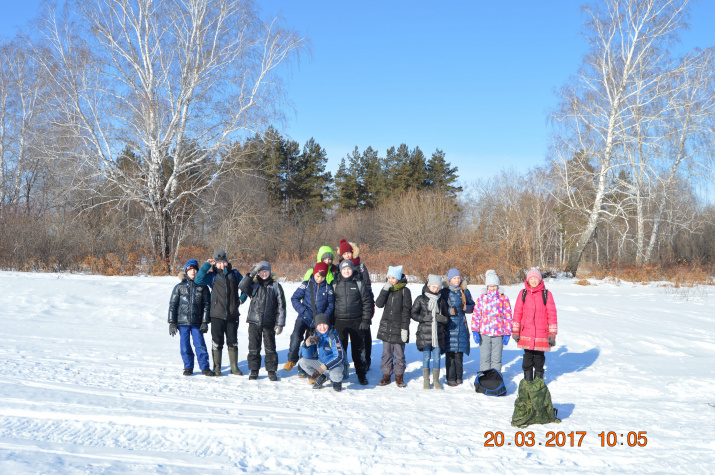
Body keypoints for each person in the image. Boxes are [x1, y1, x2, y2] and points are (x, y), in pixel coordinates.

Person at [195, 250, 246, 376]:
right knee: (217, 341)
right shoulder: (212, 276)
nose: (221, 265)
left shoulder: (234, 274)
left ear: (227, 262)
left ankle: (234, 367)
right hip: (217, 314)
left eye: (223, 262)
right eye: (218, 263)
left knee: (232, 341)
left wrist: (241, 299)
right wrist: (207, 265)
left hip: (232, 314)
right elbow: (198, 279)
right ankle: (217, 367)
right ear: (215, 264)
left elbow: (246, 286)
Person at [238, 260, 287, 381]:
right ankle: (254, 370)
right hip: (254, 321)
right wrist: (253, 272)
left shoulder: (276, 286)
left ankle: (271, 371)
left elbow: (281, 306)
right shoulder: (254, 285)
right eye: (261, 271)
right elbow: (242, 286)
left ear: (270, 272)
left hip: (269, 322)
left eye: (266, 271)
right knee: (254, 347)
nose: (264, 274)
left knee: (270, 348)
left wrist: (280, 324)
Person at [168, 259, 214, 376]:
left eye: (195, 270)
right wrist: (172, 322)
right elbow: (173, 305)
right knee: (184, 346)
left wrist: (205, 321)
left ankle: (205, 367)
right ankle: (188, 367)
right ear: (186, 272)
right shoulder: (179, 287)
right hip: (182, 323)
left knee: (200, 345)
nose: (193, 272)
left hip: (197, 322)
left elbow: (206, 305)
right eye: (190, 270)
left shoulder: (202, 287)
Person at [286, 262, 335, 371]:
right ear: (314, 274)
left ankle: (302, 368)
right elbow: (295, 298)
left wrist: (324, 317)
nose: (319, 279)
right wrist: (303, 310)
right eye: (317, 276)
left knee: (310, 343)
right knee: (295, 336)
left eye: (322, 277)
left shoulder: (328, 288)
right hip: (304, 317)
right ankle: (291, 360)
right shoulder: (306, 284)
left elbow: (331, 305)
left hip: (317, 321)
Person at [512, 268, 558, 381]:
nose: (533, 281)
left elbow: (552, 314)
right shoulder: (523, 293)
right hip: (526, 332)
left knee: (539, 358)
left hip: (541, 333)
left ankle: (538, 383)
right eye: (531, 278)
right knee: (527, 358)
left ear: (540, 280)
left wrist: (552, 333)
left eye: (535, 279)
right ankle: (528, 383)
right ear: (527, 280)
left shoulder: (546, 294)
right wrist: (515, 330)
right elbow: (517, 312)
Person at [332, 259, 373, 385]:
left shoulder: (359, 283)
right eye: (344, 269)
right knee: (340, 350)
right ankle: (342, 371)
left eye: (348, 269)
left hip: (357, 321)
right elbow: (331, 303)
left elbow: (367, 302)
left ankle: (361, 374)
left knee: (359, 350)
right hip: (339, 322)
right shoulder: (334, 283)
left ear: (352, 270)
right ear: (341, 270)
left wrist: (366, 319)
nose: (346, 271)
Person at [337, 238, 375, 371]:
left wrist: (370, 304)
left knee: (365, 335)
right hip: (346, 309)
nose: (347, 255)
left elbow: (368, 286)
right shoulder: (339, 268)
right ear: (341, 256)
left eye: (349, 253)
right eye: (345, 254)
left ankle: (366, 361)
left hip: (361, 306)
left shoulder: (360, 266)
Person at [375, 265, 412, 388]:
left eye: (393, 278)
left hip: (399, 327)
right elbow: (379, 304)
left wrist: (405, 328)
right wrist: (385, 290)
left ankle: (399, 376)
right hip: (386, 326)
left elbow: (407, 310)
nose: (390, 280)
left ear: (398, 278)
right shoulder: (387, 289)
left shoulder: (405, 291)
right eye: (389, 277)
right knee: (386, 353)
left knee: (399, 353)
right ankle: (386, 375)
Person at [411, 275, 450, 390]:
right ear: (428, 286)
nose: (436, 289)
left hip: (438, 335)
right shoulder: (420, 299)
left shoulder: (441, 300)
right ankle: (426, 381)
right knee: (426, 357)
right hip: (425, 334)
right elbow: (413, 313)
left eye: (438, 287)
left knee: (437, 357)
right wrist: (423, 318)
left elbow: (446, 317)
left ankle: (436, 380)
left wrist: (442, 319)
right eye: (434, 287)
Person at [472, 269, 513, 372]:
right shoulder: (482, 298)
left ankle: (495, 379)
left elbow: (508, 316)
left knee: (496, 359)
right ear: (487, 287)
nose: (493, 288)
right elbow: (476, 314)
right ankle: (484, 379)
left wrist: (507, 333)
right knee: (485, 358)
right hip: (484, 333)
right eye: (490, 286)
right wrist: (475, 330)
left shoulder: (503, 298)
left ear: (498, 286)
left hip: (498, 333)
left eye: (495, 286)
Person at [441, 268, 475, 386]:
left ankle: (459, 377)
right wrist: (447, 311)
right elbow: (439, 306)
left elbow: (473, 306)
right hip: (448, 325)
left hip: (461, 324)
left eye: (458, 278)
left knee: (459, 353)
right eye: (454, 278)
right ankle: (450, 377)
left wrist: (466, 308)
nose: (457, 280)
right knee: (449, 353)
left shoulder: (464, 291)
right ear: (449, 279)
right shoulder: (444, 292)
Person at [299, 313, 346, 392]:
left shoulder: (333, 336)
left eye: (324, 324)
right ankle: (321, 377)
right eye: (319, 325)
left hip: (334, 365)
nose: (322, 327)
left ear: (328, 324)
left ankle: (337, 382)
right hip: (321, 363)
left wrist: (324, 367)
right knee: (302, 361)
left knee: (335, 375)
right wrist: (307, 345)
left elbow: (339, 357)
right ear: (316, 326)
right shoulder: (316, 335)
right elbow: (307, 355)